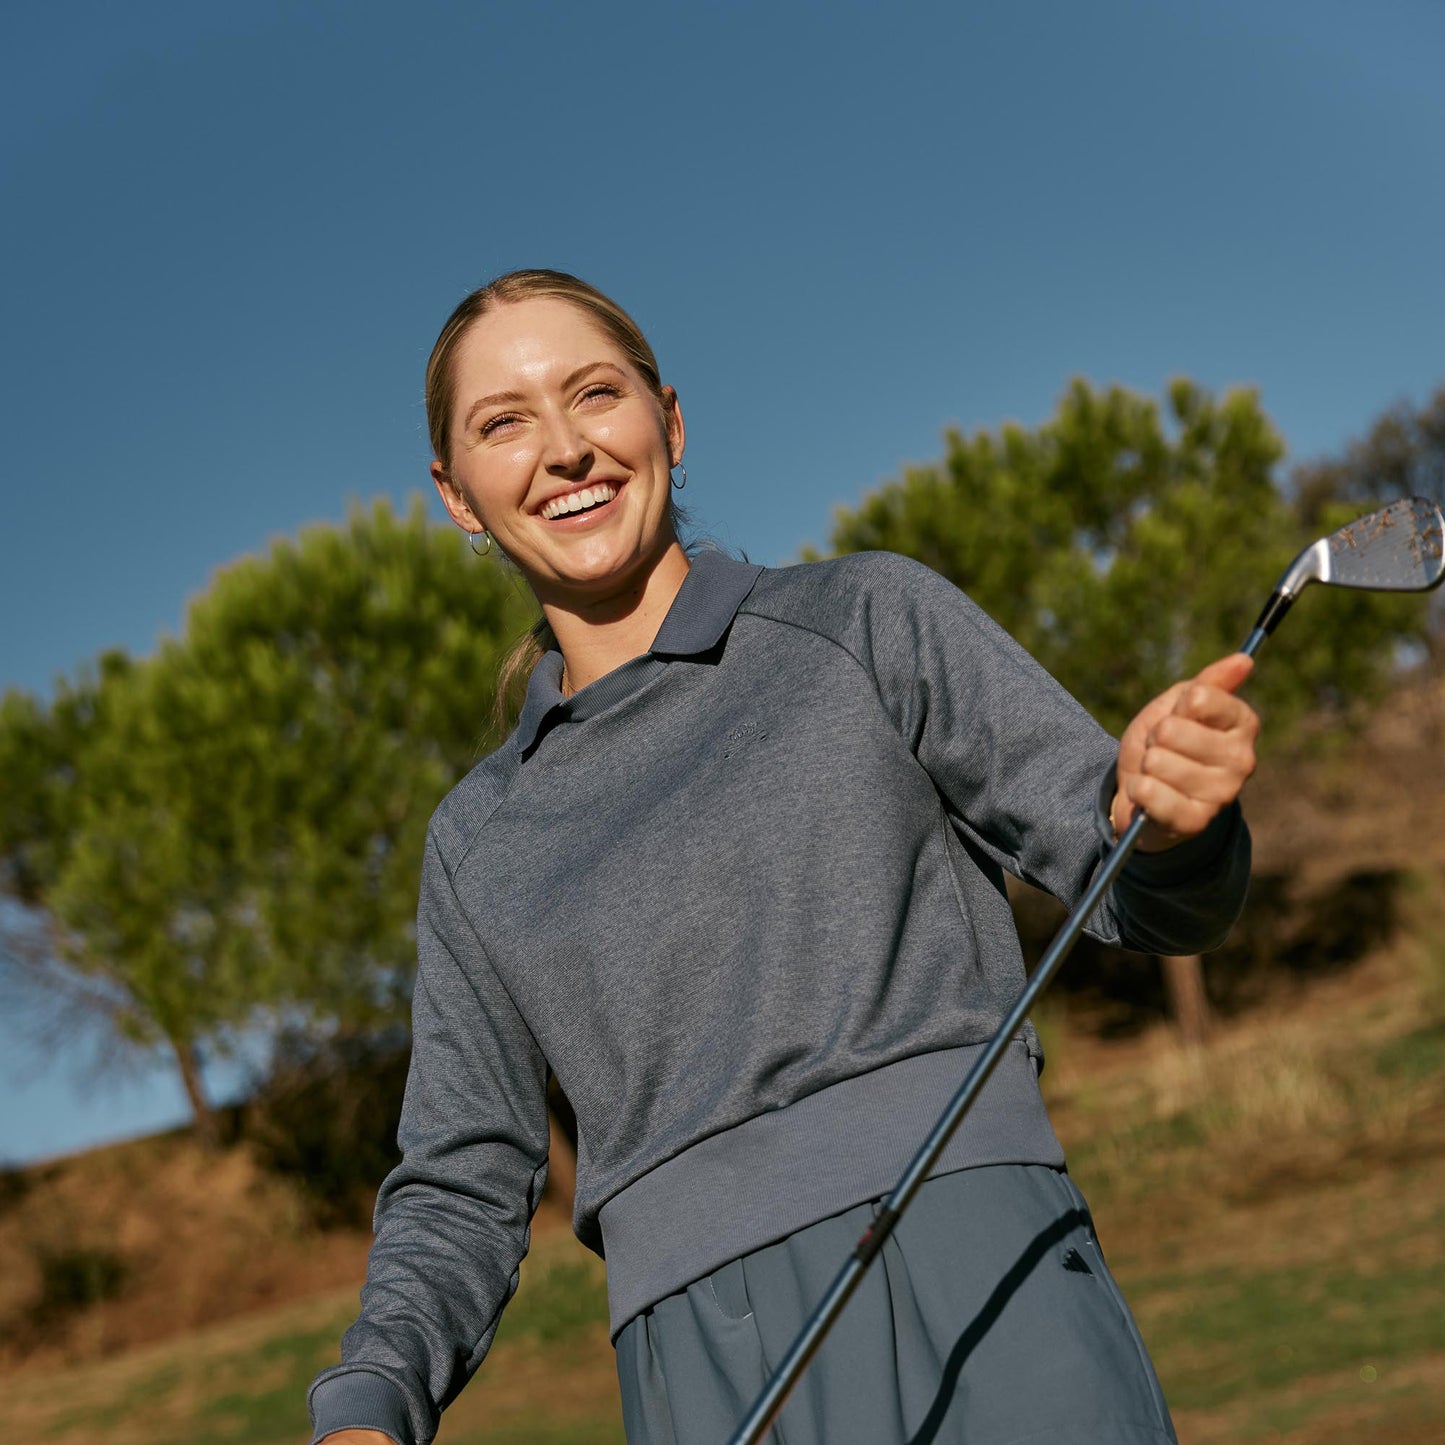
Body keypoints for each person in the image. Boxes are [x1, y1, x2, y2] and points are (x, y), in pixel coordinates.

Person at [306, 270, 1258, 1445]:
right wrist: (369, 1402)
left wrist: (1169, 819)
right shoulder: (475, 841)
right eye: (503, 422)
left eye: (594, 394)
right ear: (457, 496)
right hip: (693, 1359)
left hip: (984, 1263)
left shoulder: (867, 621)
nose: (563, 449)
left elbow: (1131, 876)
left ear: (669, 422)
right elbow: (458, 1181)